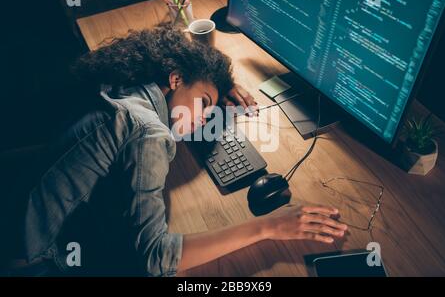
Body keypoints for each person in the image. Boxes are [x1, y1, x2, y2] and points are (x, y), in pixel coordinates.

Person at [13, 27, 347, 276]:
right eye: (203, 104)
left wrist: (213, 87)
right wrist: (268, 227)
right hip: (33, 261)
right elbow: (155, 258)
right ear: (174, 78)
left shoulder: (122, 87)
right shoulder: (148, 132)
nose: (202, 119)